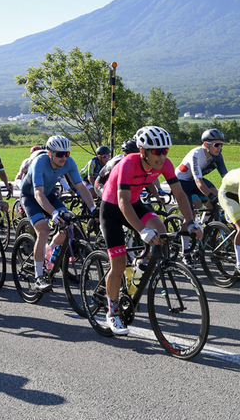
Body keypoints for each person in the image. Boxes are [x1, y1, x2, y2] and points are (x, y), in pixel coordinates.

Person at [98, 126, 202, 335]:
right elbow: (122, 202)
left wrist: (190, 221)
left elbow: (180, 195)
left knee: (160, 231)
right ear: (142, 150)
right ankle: (112, 312)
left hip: (134, 204)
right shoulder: (128, 163)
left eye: (165, 151)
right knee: (117, 265)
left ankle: (141, 264)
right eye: (156, 151)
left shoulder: (165, 164)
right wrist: (142, 230)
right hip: (112, 208)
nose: (162, 156)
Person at [19, 136, 97, 292]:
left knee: (68, 222)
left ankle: (50, 249)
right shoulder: (40, 162)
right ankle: (38, 277)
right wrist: (53, 213)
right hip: (31, 196)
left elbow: (81, 187)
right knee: (43, 230)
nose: (63, 158)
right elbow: (37, 193)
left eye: (66, 154)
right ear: (50, 153)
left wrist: (94, 209)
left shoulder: (69, 163)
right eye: (59, 154)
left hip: (49, 195)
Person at [176, 129, 228, 221]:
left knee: (216, 194)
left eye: (221, 144)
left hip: (193, 180)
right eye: (216, 145)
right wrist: (211, 197)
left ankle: (205, 223)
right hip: (181, 181)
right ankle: (186, 233)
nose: (219, 148)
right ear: (205, 144)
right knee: (191, 214)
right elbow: (199, 182)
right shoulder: (195, 155)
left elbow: (226, 177)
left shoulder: (218, 156)